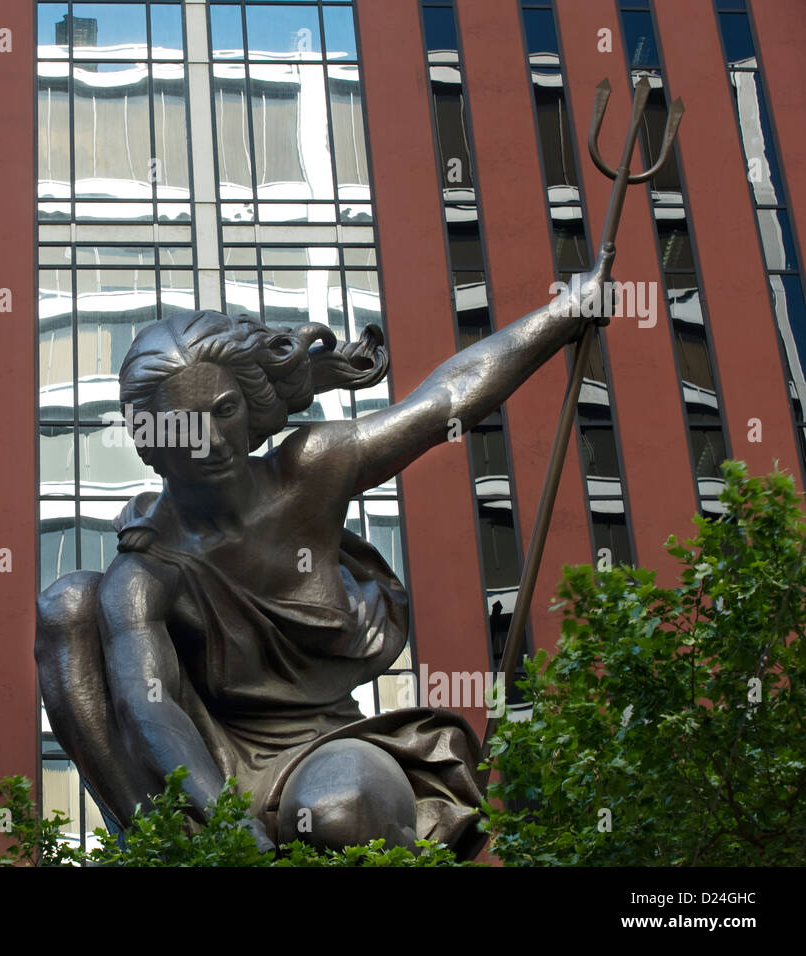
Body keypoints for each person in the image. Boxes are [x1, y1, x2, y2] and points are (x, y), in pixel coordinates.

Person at [36, 246, 615, 858]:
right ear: (152, 442)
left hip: (330, 749)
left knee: (339, 811)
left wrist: (567, 313)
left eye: (225, 411)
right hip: (209, 778)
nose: (211, 440)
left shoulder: (311, 470)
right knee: (69, 602)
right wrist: (231, 833)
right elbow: (146, 708)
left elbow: (448, 399)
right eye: (183, 425)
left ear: (252, 402)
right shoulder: (146, 572)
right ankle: (166, 849)